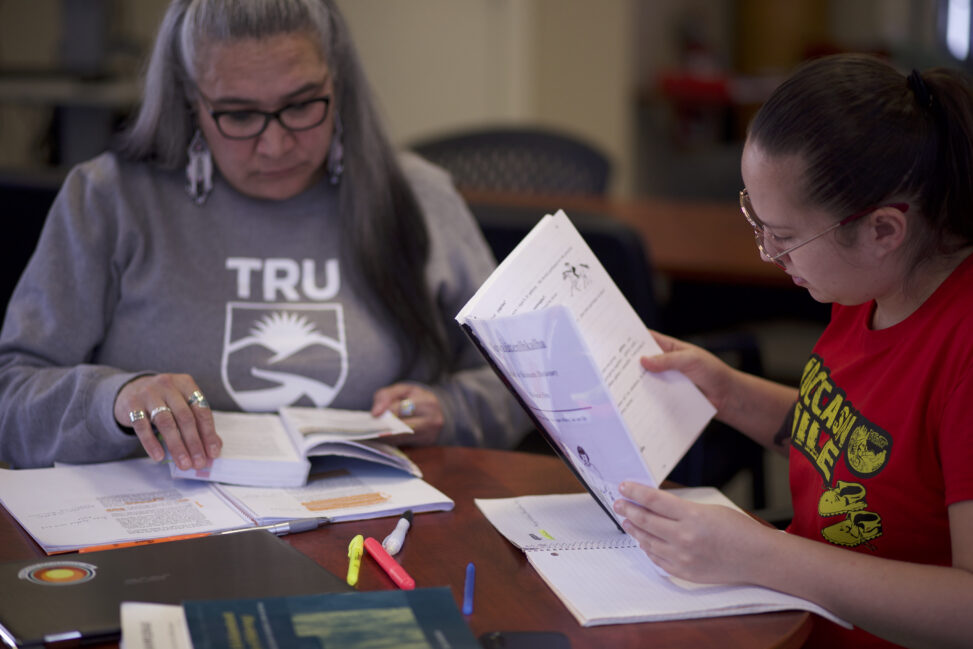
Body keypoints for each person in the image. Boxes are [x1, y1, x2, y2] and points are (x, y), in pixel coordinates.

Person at [0, 0, 528, 471]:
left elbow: (524, 380)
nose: (275, 145)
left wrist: (452, 411)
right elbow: (13, 397)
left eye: (301, 105)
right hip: (163, 539)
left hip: (372, 528)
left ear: (336, 82)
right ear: (190, 99)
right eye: (238, 114)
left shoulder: (416, 195)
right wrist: (116, 400)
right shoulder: (109, 199)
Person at [614, 54, 973, 648]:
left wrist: (765, 555)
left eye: (782, 236)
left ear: (884, 230)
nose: (767, 254)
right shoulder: (869, 285)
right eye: (754, 218)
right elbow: (851, 439)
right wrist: (726, 391)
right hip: (802, 621)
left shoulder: (958, 347)